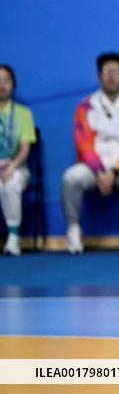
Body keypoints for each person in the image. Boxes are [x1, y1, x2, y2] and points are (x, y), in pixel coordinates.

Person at [62, 53, 119, 254]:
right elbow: (83, 144)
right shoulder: (85, 106)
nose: (111, 76)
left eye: (116, 71)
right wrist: (100, 172)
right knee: (71, 177)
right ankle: (74, 231)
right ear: (98, 77)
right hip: (94, 170)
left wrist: (115, 171)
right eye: (106, 71)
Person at [0, 65, 37, 256]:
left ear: (13, 85)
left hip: (17, 165)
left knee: (11, 183)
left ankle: (13, 237)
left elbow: (25, 148)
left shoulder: (23, 113)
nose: (2, 85)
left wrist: (11, 167)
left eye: (6, 80)